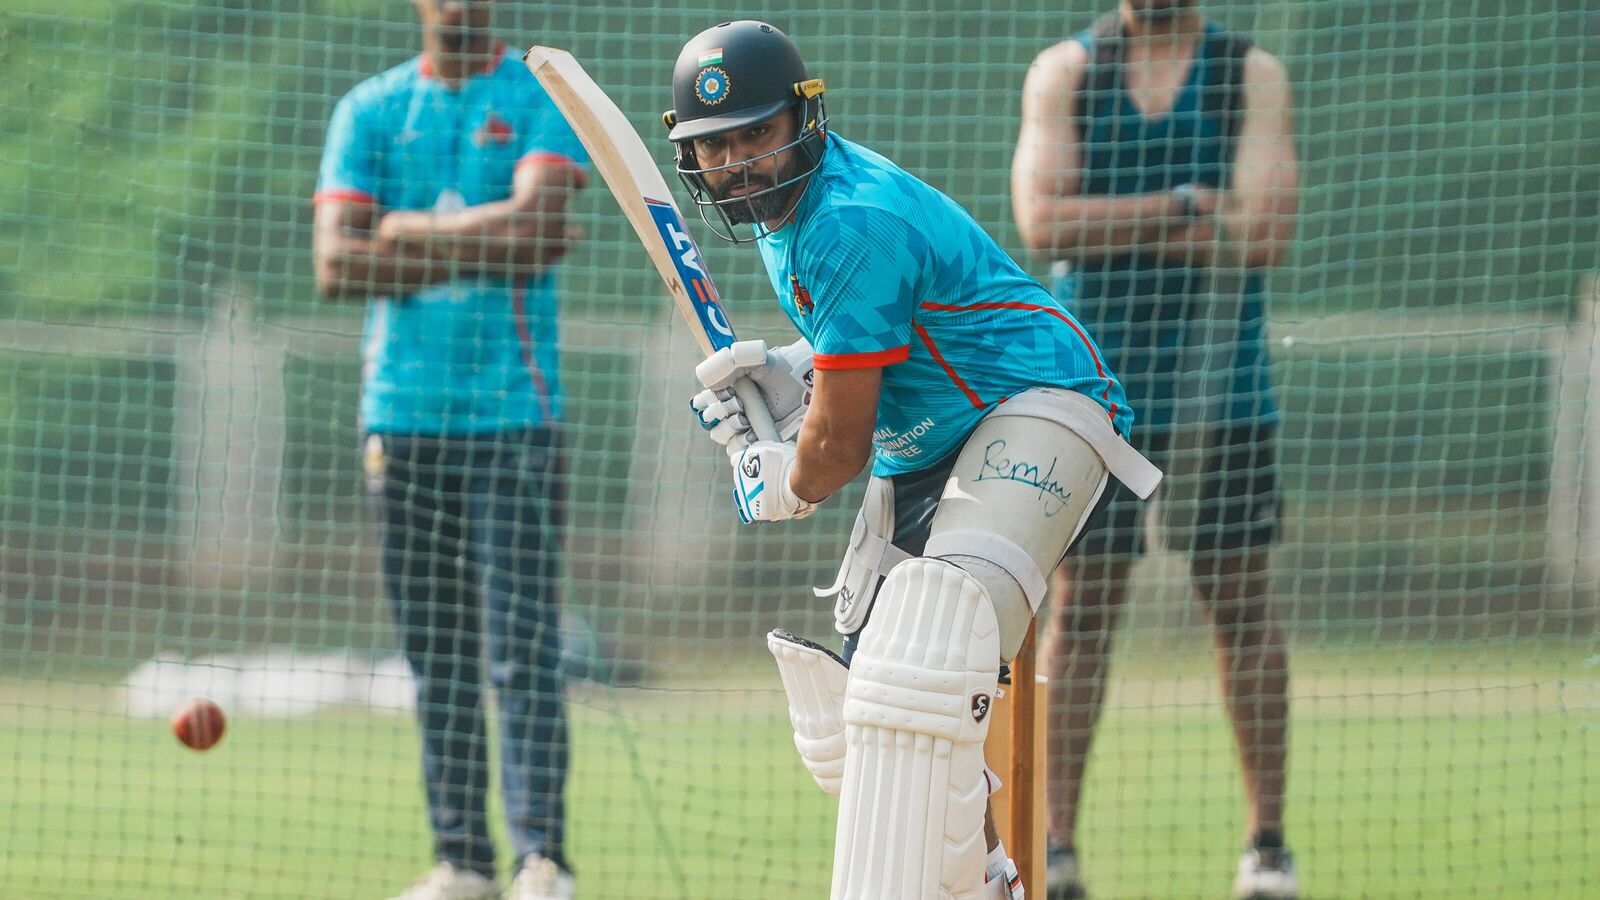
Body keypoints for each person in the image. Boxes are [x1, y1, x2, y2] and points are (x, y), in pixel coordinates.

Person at [668, 20, 1162, 900]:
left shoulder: (847, 220)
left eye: (757, 133)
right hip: (930, 438)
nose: (740, 161)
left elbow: (840, 447)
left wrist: (778, 480)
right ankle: (991, 882)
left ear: (804, 121)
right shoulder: (800, 215)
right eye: (716, 146)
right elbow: (879, 341)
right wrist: (796, 370)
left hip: (1037, 406)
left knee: (928, 657)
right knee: (869, 728)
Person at [1011, 1, 1302, 897]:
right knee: (1081, 614)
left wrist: (1124, 220)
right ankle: (1054, 849)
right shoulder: (1068, 72)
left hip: (1225, 390)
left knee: (1241, 609)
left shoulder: (1248, 74)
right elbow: (1044, 225)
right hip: (1094, 391)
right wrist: (1188, 205)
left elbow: (1263, 235)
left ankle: (1266, 848)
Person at [311, 1, 588, 897]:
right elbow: (334, 267)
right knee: (436, 655)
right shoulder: (370, 109)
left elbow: (543, 235)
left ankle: (540, 857)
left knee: (524, 650)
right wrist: (486, 232)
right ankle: (461, 862)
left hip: (516, 417)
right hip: (400, 417)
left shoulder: (537, 92)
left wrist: (402, 229)